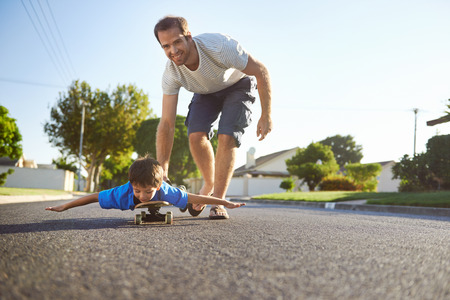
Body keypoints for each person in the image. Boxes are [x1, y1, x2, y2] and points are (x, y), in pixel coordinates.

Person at [154, 16, 272, 219]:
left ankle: (218, 201)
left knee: (226, 136)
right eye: (166, 46)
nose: (173, 51)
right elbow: (166, 123)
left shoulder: (220, 47)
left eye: (177, 42)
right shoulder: (171, 73)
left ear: (189, 37)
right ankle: (208, 185)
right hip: (205, 91)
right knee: (195, 135)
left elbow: (261, 71)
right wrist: (162, 165)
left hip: (238, 85)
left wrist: (266, 114)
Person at [45, 155, 245, 213]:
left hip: (173, 194)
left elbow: (197, 197)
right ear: (131, 184)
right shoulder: (124, 193)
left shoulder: (165, 191)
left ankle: (184, 199)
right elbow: (95, 196)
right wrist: (65, 206)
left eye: (147, 191)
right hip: (148, 191)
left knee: (191, 205)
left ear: (157, 187)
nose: (141, 195)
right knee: (185, 202)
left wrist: (223, 202)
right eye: (137, 190)